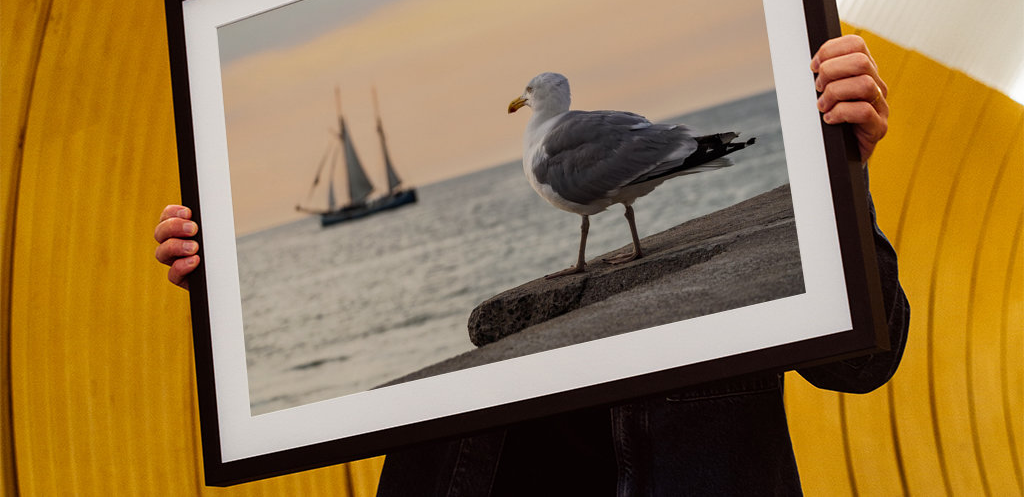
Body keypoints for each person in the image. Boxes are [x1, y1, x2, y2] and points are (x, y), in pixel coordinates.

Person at [154, 35, 908, 496]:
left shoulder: (556, 147)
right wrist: (229, 289)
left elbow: (865, 360)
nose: (523, 101)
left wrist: (840, 169)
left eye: (529, 94)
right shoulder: (569, 131)